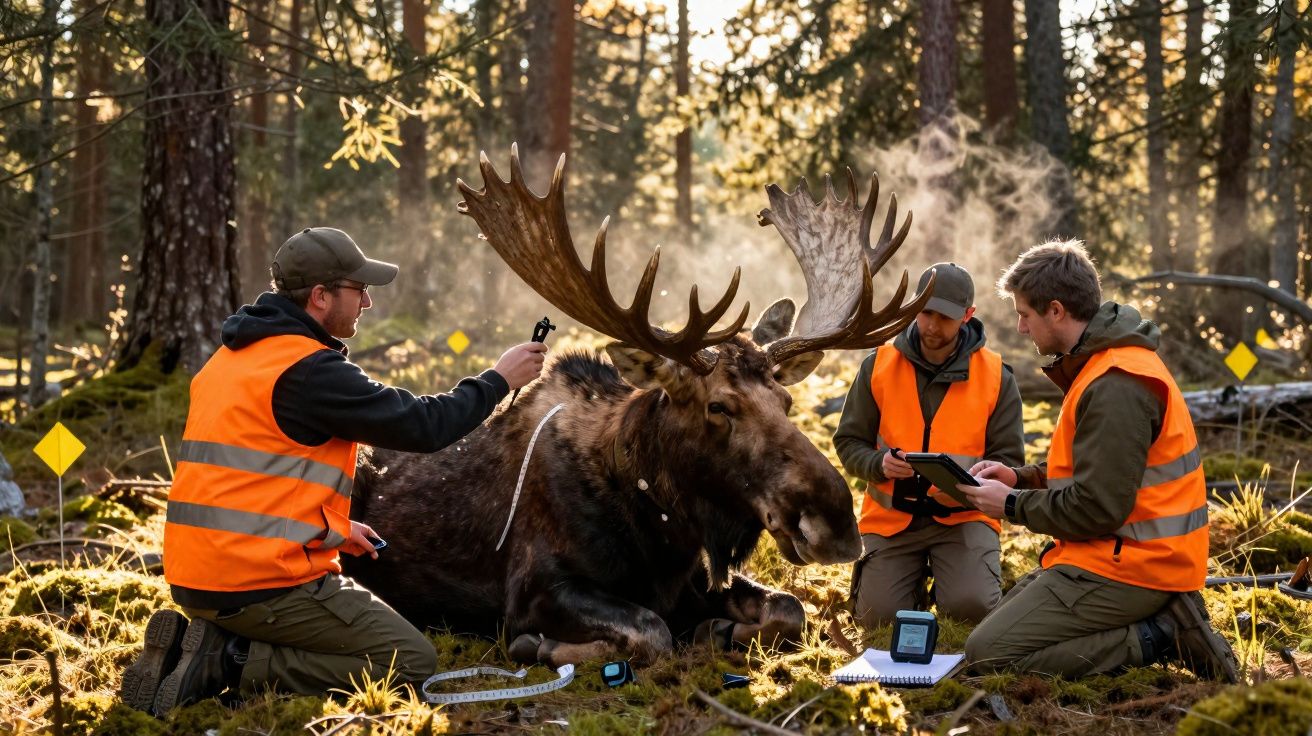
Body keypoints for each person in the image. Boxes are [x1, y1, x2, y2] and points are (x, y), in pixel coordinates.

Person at [120, 227, 548, 715]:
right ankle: (230, 659)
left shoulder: (231, 359)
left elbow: (246, 484)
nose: (367, 302)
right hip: (258, 586)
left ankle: (196, 644)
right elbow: (424, 426)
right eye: (358, 289)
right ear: (320, 297)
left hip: (195, 577)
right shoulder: (309, 371)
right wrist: (497, 380)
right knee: (409, 660)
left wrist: (331, 528)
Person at [959, 240, 1239, 682]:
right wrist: (1022, 477)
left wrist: (1010, 504)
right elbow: (1098, 470)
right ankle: (1151, 625)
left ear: (1055, 310)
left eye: (1025, 315)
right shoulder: (1100, 364)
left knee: (988, 654)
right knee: (992, 631)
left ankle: (1161, 633)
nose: (1021, 328)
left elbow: (1098, 506)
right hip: (1110, 553)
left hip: (1140, 566)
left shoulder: (1115, 384)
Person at [835, 262, 1024, 628]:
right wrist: (878, 465)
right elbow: (848, 442)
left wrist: (969, 490)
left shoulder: (998, 376)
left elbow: (1009, 460)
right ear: (912, 309)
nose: (933, 326)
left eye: (946, 317)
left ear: (968, 315)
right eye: (925, 313)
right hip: (891, 521)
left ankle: (954, 581)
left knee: (973, 612)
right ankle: (911, 586)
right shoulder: (877, 365)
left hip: (965, 518)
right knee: (877, 620)